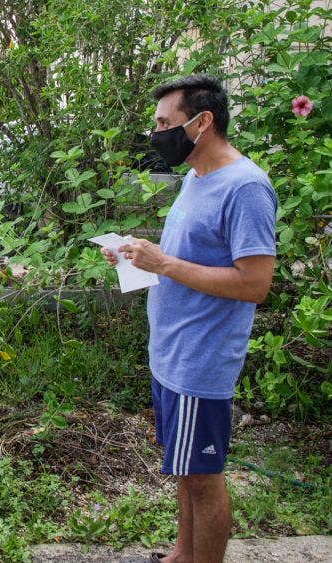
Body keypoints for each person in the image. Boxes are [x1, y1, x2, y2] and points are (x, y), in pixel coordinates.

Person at [102, 75, 276, 563]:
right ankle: (182, 555)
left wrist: (166, 265)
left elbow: (254, 283)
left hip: (202, 357)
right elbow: (185, 257)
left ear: (202, 122)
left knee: (203, 476)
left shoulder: (245, 188)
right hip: (171, 352)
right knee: (184, 467)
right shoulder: (197, 180)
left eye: (164, 123)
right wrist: (139, 255)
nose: (157, 133)